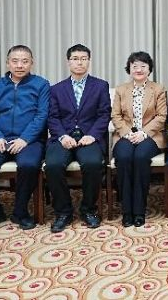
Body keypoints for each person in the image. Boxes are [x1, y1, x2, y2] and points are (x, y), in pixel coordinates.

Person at [0, 45, 50, 232]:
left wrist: (25, 139)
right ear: (8, 63)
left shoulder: (41, 84)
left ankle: (20, 212)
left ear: (32, 63)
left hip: (29, 140)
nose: (19, 65)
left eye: (24, 61)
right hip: (1, 139)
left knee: (29, 166)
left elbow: (42, 115)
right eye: (15, 61)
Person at [45, 44, 111, 232]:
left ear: (89, 61)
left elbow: (104, 114)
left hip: (89, 137)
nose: (79, 62)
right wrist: (62, 136)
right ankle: (63, 212)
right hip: (63, 137)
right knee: (53, 165)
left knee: (93, 164)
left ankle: (88, 209)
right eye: (75, 59)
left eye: (83, 58)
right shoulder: (56, 89)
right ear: (68, 62)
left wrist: (92, 135)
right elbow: (52, 117)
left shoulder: (100, 86)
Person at [112, 51, 168, 228]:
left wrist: (143, 133)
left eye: (143, 66)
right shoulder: (121, 90)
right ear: (129, 69)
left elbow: (162, 116)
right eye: (135, 66)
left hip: (150, 135)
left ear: (149, 69)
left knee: (141, 157)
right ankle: (126, 211)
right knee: (124, 157)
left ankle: (139, 211)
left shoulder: (158, 89)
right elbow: (115, 115)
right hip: (126, 134)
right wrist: (127, 133)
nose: (139, 69)